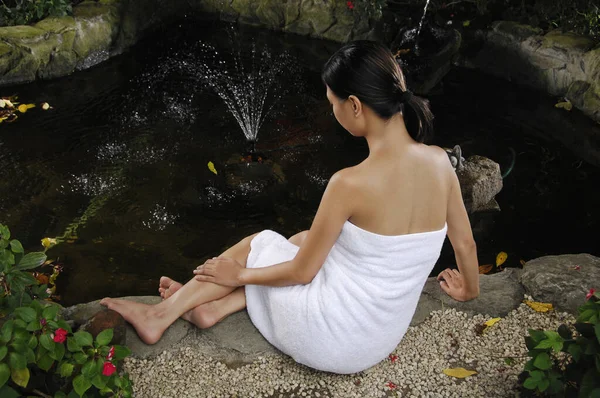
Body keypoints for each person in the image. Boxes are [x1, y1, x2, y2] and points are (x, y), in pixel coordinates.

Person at [101, 40, 479, 374]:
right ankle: (212, 309)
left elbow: (301, 273)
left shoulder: (350, 183)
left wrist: (238, 275)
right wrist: (468, 291)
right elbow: (464, 245)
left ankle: (158, 316)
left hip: (330, 338)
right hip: (376, 339)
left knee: (258, 243)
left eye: (333, 104)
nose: (332, 112)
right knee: (303, 238)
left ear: (355, 106)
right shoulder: (439, 161)